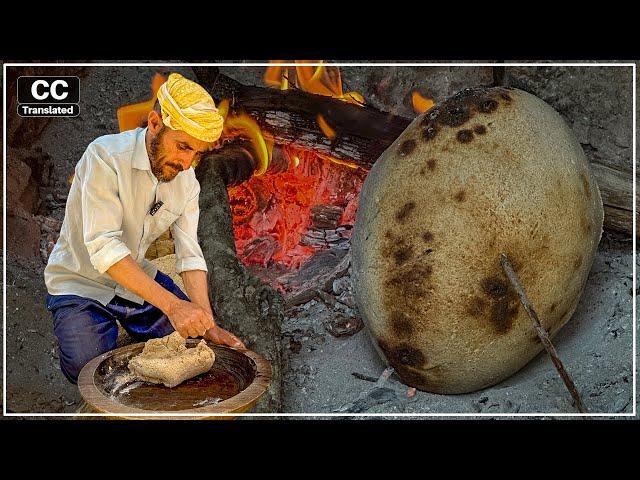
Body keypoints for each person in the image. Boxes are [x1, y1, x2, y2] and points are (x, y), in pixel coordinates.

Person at [44, 72, 245, 384]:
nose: (187, 162)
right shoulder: (104, 157)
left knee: (190, 345)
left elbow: (190, 255)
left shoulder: (187, 182)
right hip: (80, 283)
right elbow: (105, 249)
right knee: (87, 370)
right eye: (182, 146)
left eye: (197, 152)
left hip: (136, 279)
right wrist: (173, 305)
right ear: (154, 124)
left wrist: (208, 325)